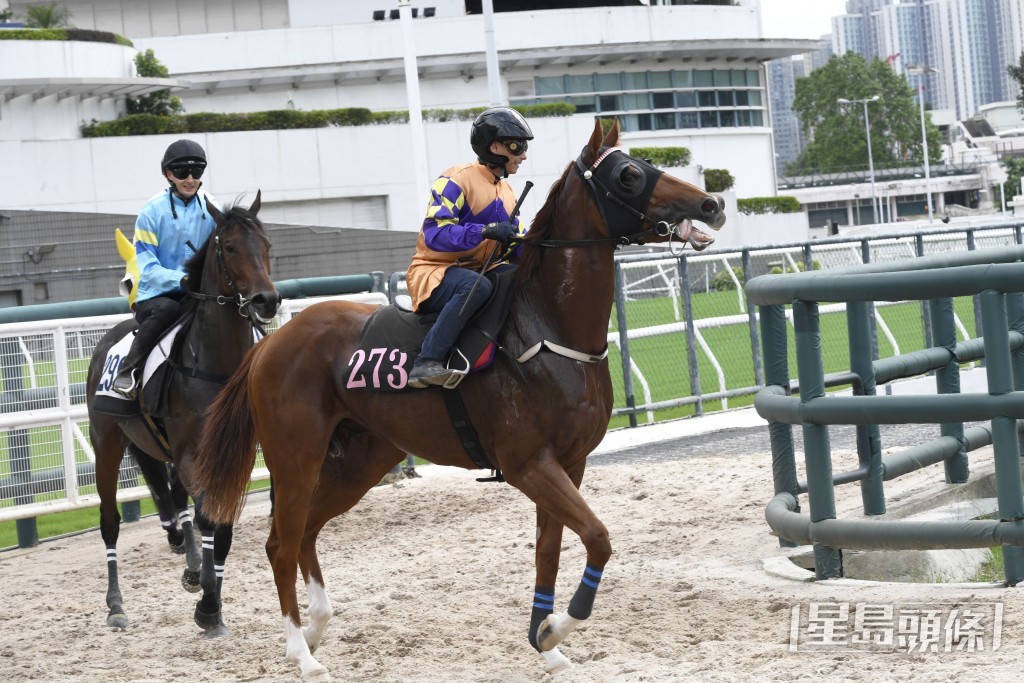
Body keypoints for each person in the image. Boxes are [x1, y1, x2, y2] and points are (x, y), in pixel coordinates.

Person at [405, 106, 533, 388]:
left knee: (513, 278)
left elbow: (517, 246)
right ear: (496, 146)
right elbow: (435, 234)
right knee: (476, 286)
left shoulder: (507, 191)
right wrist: (485, 231)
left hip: (479, 272)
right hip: (435, 272)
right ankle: (426, 361)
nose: (524, 155)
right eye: (519, 147)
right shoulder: (455, 178)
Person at [111, 139, 218, 399]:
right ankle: (129, 371)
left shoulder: (213, 208)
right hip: (155, 297)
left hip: (197, 293)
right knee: (169, 309)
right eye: (182, 173)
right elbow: (146, 268)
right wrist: (183, 279)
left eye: (197, 172)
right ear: (168, 174)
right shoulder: (150, 212)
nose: (191, 179)